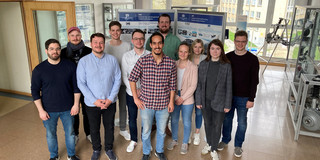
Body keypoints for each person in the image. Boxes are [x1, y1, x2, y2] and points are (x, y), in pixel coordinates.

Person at [129, 32, 177, 160]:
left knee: (161, 131)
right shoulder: (143, 61)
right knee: (146, 131)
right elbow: (132, 78)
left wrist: (171, 102)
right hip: (146, 105)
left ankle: (159, 151)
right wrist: (135, 98)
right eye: (154, 43)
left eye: (159, 43)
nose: (157, 46)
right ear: (150, 45)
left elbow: (173, 86)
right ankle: (146, 152)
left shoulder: (170, 63)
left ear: (163, 44)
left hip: (163, 105)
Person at [31, 39, 80, 160]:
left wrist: (76, 104)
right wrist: (40, 110)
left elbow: (76, 87)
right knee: (50, 134)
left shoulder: (70, 65)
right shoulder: (39, 70)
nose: (55, 51)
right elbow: (35, 92)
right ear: (46, 50)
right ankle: (54, 156)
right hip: (48, 109)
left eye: (58, 48)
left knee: (70, 133)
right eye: (52, 49)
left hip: (68, 108)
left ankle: (71, 155)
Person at [77, 33, 121, 160]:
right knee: (94, 128)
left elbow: (117, 80)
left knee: (109, 127)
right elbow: (81, 83)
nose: (98, 45)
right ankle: (96, 149)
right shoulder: (84, 61)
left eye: (101, 42)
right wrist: (94, 101)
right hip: (92, 104)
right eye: (95, 42)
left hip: (109, 102)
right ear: (91, 44)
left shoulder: (112, 60)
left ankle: (109, 148)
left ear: (104, 44)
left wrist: (110, 99)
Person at [217, 30, 260, 158]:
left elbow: (254, 81)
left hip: (244, 97)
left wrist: (251, 98)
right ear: (234, 41)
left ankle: (238, 145)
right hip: (228, 97)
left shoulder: (253, 59)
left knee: (242, 122)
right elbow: (222, 78)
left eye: (243, 41)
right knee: (227, 120)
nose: (240, 44)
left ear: (246, 42)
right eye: (238, 41)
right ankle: (225, 140)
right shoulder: (228, 57)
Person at [195, 39, 232, 160]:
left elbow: (229, 86)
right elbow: (199, 84)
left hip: (220, 102)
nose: (215, 51)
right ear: (208, 50)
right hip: (205, 101)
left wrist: (227, 104)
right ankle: (210, 144)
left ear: (221, 50)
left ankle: (214, 149)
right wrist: (199, 100)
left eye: (217, 49)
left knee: (217, 126)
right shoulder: (204, 64)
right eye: (212, 48)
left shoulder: (226, 66)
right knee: (207, 124)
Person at [61, 26, 92, 144]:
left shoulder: (89, 51)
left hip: (87, 87)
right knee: (73, 112)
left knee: (87, 111)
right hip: (70, 88)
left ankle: (89, 133)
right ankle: (75, 134)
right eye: (72, 35)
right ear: (68, 37)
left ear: (81, 36)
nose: (75, 38)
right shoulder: (63, 53)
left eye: (77, 35)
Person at [121, 29, 151, 152]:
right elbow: (124, 76)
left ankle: (146, 140)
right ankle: (134, 140)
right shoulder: (126, 56)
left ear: (144, 40)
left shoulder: (150, 54)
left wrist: (142, 90)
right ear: (132, 41)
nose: (139, 41)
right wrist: (135, 91)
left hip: (147, 94)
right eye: (136, 39)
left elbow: (153, 76)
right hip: (130, 93)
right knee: (132, 118)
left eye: (141, 38)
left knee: (146, 118)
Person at [166, 42, 198, 154]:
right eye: (181, 51)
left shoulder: (193, 67)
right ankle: (174, 140)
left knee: (187, 121)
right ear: (178, 52)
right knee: (174, 120)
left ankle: (185, 142)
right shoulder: (173, 64)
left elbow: (193, 85)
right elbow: (169, 83)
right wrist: (175, 96)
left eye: (185, 51)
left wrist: (182, 98)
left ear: (189, 53)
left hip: (187, 98)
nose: (183, 54)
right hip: (174, 96)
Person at [104, 21, 132, 141]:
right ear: (109, 31)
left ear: (121, 31)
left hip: (123, 82)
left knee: (123, 106)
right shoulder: (105, 45)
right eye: (113, 30)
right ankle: (109, 129)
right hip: (109, 83)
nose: (115, 33)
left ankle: (122, 129)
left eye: (118, 30)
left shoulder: (126, 45)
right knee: (110, 108)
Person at [190, 39, 207, 145]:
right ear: (192, 47)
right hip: (189, 89)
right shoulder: (188, 57)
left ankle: (197, 133)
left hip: (200, 90)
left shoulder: (205, 59)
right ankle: (188, 133)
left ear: (202, 48)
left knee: (199, 112)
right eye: (195, 46)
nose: (197, 49)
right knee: (187, 112)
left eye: (200, 47)